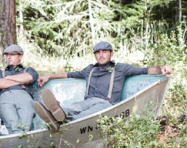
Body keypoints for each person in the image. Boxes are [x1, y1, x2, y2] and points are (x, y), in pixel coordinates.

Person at [35, 41, 173, 130]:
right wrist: (49, 76)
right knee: (73, 107)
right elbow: (69, 75)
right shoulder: (89, 69)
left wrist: (161, 68)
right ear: (95, 55)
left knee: (85, 114)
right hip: (87, 101)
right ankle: (56, 113)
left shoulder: (121, 69)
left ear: (111, 54)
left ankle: (60, 122)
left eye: (104, 52)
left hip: (106, 105)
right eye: (98, 52)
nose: (101, 55)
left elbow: (146, 70)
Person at [0, 44, 39, 134]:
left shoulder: (28, 70)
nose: (9, 57)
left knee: (26, 126)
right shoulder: (0, 72)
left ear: (20, 56)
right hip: (6, 98)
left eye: (12, 55)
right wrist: (20, 80)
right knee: (14, 128)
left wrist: (7, 78)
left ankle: (26, 146)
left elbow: (29, 77)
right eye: (7, 55)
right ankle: (19, 146)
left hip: (23, 96)